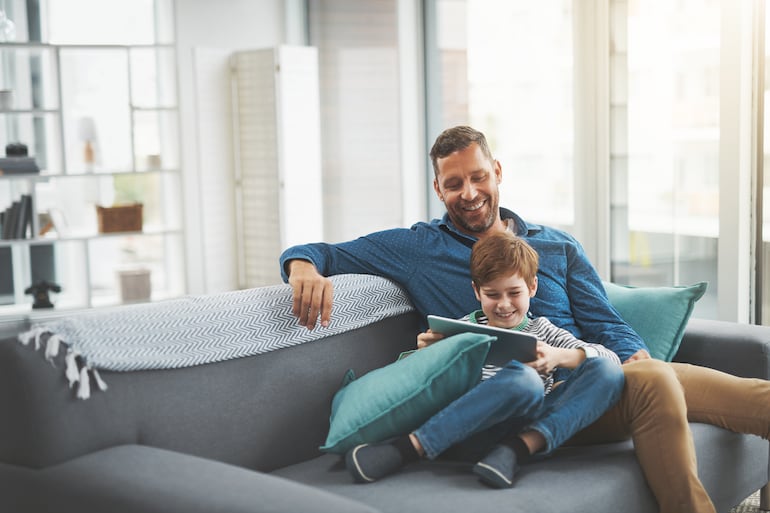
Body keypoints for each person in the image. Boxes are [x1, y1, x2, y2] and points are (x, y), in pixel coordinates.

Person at [280, 125, 770, 513]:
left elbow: (603, 320)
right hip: (520, 395)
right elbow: (320, 251)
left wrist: (634, 356)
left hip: (587, 375)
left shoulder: (555, 244)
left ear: (496, 171)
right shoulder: (418, 249)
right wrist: (303, 268)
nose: (468, 193)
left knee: (725, 389)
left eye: (477, 177)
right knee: (655, 383)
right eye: (453, 184)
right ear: (438, 188)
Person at [345, 231, 625, 488]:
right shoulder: (459, 329)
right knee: (525, 381)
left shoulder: (543, 331)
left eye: (514, 293)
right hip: (468, 428)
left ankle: (516, 450)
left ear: (532, 288)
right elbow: (405, 379)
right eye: (492, 295)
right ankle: (409, 447)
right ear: (477, 291)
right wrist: (423, 354)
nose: (504, 304)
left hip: (528, 429)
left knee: (608, 372)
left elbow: (610, 357)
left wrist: (557, 357)